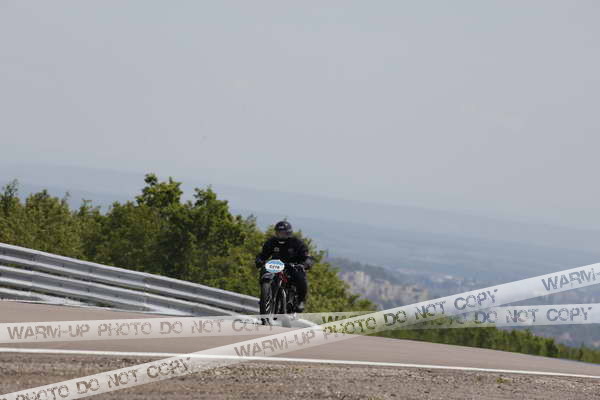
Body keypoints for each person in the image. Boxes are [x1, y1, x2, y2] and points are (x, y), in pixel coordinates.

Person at [255, 220, 310, 312]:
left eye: (283, 233)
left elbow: (306, 256)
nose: (281, 235)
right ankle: (265, 295)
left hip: (292, 267)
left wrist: (305, 263)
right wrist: (259, 260)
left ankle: (300, 301)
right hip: (275, 266)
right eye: (279, 233)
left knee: (300, 277)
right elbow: (263, 254)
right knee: (264, 270)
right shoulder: (271, 242)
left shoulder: (296, 243)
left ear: (289, 233)